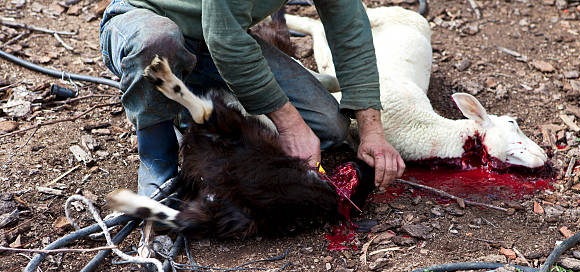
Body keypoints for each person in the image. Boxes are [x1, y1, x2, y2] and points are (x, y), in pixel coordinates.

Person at [99, 0, 405, 197]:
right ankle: (157, 157)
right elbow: (226, 41)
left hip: (218, 37)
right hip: (146, 20)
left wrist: (372, 131)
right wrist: (289, 126)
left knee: (330, 127)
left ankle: (188, 95)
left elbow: (349, 29)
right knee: (159, 41)